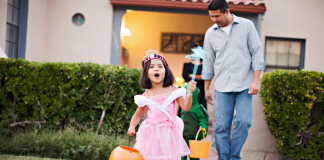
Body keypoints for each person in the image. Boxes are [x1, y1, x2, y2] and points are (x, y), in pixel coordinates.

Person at [202, 0, 266, 160]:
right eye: (211, 16)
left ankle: (234, 156)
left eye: (217, 15)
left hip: (245, 85)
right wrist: (206, 89)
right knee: (222, 126)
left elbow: (257, 53)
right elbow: (208, 62)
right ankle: (224, 158)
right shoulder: (210, 33)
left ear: (227, 11)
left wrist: (256, 80)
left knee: (244, 121)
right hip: (222, 87)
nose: (214, 19)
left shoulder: (247, 26)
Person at [127, 49, 196, 160]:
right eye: (152, 67)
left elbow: (186, 107)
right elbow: (137, 115)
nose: (156, 69)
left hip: (170, 134)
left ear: (165, 71)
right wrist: (131, 126)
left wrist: (189, 93)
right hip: (151, 135)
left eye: (160, 66)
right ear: (146, 74)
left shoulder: (173, 90)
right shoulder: (146, 94)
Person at [180, 82, 208, 160]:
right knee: (182, 156)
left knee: (194, 157)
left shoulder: (198, 108)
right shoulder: (183, 106)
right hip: (183, 136)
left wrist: (203, 128)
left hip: (194, 138)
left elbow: (203, 120)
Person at [182, 42, 207, 110]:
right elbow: (185, 75)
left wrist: (192, 75)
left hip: (200, 89)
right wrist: (198, 76)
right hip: (189, 87)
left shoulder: (204, 66)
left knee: (199, 105)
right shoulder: (186, 65)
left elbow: (205, 76)